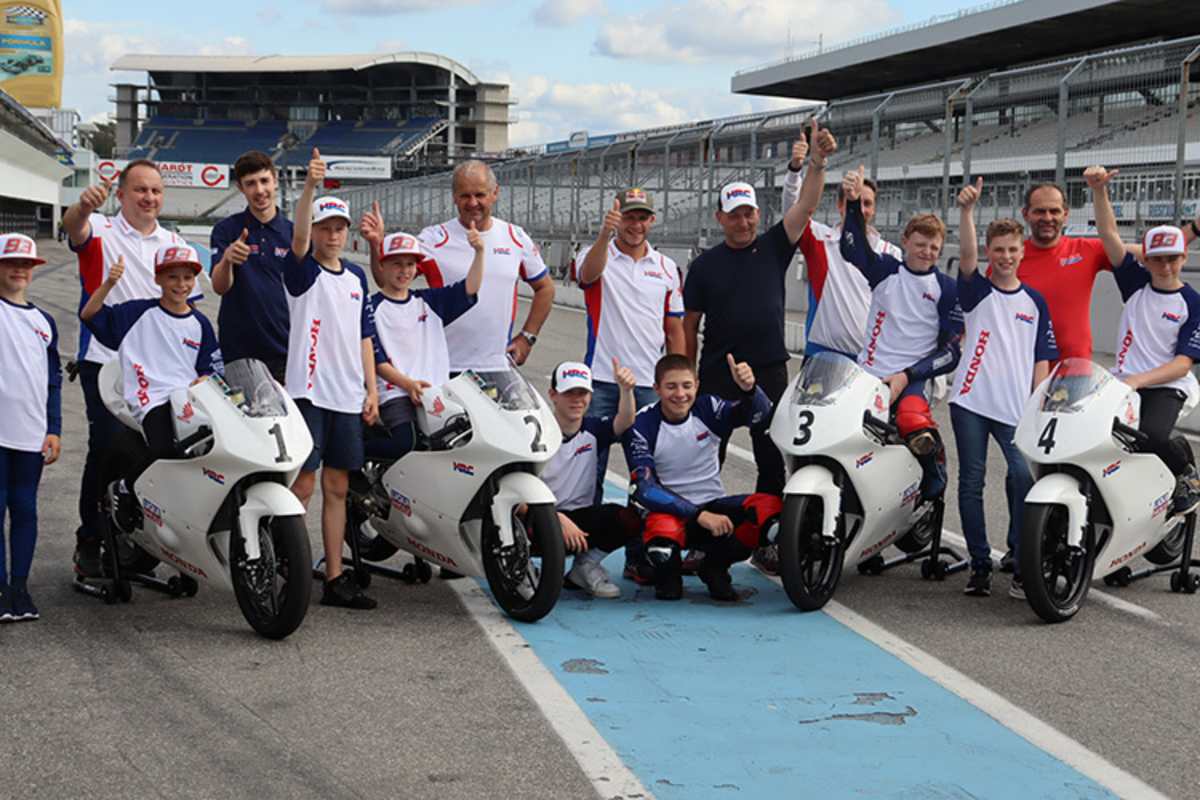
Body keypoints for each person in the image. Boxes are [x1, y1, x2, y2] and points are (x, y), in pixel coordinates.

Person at [62, 160, 200, 578]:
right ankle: (90, 539)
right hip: (106, 364)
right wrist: (82, 207)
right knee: (105, 449)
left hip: (159, 374)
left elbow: (187, 310)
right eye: (140, 190)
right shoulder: (102, 230)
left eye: (156, 191)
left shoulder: (174, 242)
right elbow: (73, 227)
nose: (149, 198)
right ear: (120, 194)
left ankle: (137, 538)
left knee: (155, 455)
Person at [682, 152, 821, 499]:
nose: (743, 222)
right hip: (717, 372)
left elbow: (805, 207)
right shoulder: (704, 266)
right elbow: (689, 326)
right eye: (734, 215)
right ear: (720, 218)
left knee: (771, 458)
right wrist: (688, 372)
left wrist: (816, 165)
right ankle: (703, 527)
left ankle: (766, 535)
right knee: (706, 456)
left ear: (758, 214)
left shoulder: (775, 245)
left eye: (749, 214)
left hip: (769, 369)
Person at [951, 180, 1057, 600]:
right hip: (971, 403)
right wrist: (966, 213)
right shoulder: (976, 291)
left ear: (1022, 252)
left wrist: (1038, 404)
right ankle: (979, 564)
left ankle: (1018, 554)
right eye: (999, 250)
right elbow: (966, 256)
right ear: (989, 254)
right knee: (972, 482)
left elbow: (1041, 358)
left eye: (1013, 250)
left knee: (1020, 477)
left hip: (1015, 409)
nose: (1006, 257)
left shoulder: (1035, 301)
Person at [287, 149, 380, 610]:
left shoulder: (357, 277)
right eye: (326, 227)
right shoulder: (302, 273)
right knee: (303, 484)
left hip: (347, 394)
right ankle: (283, 559)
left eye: (339, 227)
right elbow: (299, 237)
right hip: (308, 392)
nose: (333, 235)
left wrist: (372, 388)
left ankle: (334, 574)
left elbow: (365, 335)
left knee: (338, 487)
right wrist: (309, 188)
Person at [840, 165, 963, 502]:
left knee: (910, 419)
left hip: (912, 378)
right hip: (867, 371)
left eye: (934, 247)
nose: (926, 252)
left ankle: (935, 471)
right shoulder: (884, 270)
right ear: (905, 241)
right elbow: (851, 248)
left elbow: (953, 351)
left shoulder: (946, 288)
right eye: (920, 244)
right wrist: (853, 204)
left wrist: (909, 374)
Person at [623, 353, 782, 601]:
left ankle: (714, 567)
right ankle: (667, 577)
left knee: (769, 511)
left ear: (696, 385)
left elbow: (760, 416)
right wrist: (698, 515)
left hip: (712, 507)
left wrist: (750, 390)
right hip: (671, 514)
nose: (680, 394)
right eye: (671, 387)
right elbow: (643, 488)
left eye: (687, 386)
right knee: (663, 551)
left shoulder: (708, 408)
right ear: (656, 388)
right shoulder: (642, 424)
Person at [1088, 164, 1200, 516]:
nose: (1165, 266)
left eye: (1172, 259)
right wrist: (1099, 190)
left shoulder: (1193, 303)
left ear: (1184, 258)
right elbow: (1109, 236)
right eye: (1157, 259)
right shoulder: (1135, 284)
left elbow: (1183, 364)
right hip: (1124, 381)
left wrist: (1137, 380)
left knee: (1150, 436)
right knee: (1098, 442)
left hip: (1169, 384)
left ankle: (1187, 473)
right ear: (1146, 260)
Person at [78, 245, 217, 527]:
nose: (181, 285)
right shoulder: (138, 313)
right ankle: (126, 487)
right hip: (151, 399)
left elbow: (209, 368)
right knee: (165, 448)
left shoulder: (200, 323)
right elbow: (89, 315)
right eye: (173, 277)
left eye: (187, 277)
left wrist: (205, 380)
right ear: (158, 280)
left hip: (188, 401)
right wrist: (110, 283)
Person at [401, 160, 555, 372]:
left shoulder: (515, 237)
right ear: (454, 197)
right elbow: (388, 279)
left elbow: (545, 288)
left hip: (497, 366)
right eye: (465, 195)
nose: (473, 202)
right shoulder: (433, 238)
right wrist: (374, 244)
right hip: (442, 366)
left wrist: (528, 337)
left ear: (495, 193)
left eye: (480, 195)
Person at [359, 205, 484, 460]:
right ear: (382, 266)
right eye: (396, 264)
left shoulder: (430, 301)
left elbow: (470, 288)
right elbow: (377, 360)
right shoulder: (372, 307)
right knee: (406, 443)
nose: (404, 270)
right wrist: (408, 384)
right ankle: (352, 455)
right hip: (395, 392)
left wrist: (480, 252)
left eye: (410, 264)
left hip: (435, 392)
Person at [784, 121, 903, 358]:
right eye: (854, 202)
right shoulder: (821, 239)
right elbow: (793, 212)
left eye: (867, 203)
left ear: (875, 209)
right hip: (822, 354)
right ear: (840, 205)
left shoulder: (891, 253)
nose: (862, 209)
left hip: (870, 361)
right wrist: (796, 169)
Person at [542, 360, 643, 598]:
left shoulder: (594, 430)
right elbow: (517, 492)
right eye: (569, 393)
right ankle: (521, 568)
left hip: (581, 519)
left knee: (631, 518)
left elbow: (625, 420)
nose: (577, 400)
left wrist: (626, 390)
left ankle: (584, 567)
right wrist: (556, 518)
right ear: (553, 395)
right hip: (541, 517)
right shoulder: (536, 432)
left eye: (583, 393)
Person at [0, 234, 62, 622]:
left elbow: (53, 380)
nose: (19, 270)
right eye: (11, 263)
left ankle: (20, 587)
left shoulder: (45, 322)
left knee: (25, 510)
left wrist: (53, 427)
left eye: (26, 264)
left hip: (30, 433)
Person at [210, 150, 293, 382]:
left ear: (275, 181)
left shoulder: (293, 233)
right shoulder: (226, 230)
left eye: (264, 181)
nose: (259, 190)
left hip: (286, 349)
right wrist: (227, 259)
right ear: (240, 188)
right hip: (239, 351)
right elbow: (219, 287)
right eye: (250, 184)